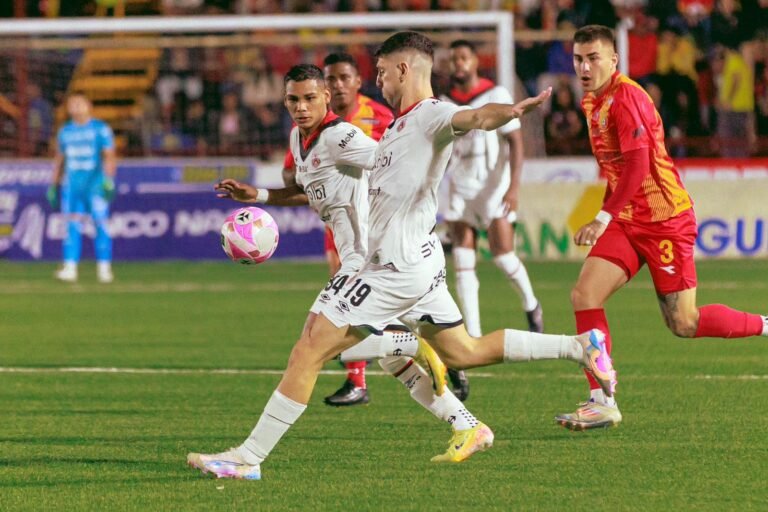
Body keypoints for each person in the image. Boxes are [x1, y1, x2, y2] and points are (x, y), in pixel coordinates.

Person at [187, 32, 616, 481]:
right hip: (417, 262)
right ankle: (578, 347)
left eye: (382, 72)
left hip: (389, 270)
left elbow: (470, 118)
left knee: (309, 349)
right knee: (464, 351)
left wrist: (507, 114)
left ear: (404, 71)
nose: (379, 80)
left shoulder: (432, 114)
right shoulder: (397, 125)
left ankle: (248, 457)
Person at [192, 64, 495, 479]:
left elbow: (388, 160)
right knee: (369, 358)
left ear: (327, 98)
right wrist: (260, 195)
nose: (301, 107)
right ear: (285, 101)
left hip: (370, 262)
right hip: (362, 262)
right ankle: (464, 421)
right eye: (293, 100)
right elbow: (310, 189)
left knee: (309, 350)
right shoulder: (301, 139)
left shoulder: (342, 136)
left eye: (310, 98)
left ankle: (249, 458)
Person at [557, 25, 768, 431]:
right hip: (628, 219)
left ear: (613, 60)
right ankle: (602, 400)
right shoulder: (590, 100)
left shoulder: (627, 99)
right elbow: (617, 172)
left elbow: (637, 166)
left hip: (665, 220)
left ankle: (764, 324)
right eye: (578, 59)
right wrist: (610, 214)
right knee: (585, 294)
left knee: (683, 324)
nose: (584, 66)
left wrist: (602, 217)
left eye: (593, 58)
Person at [441, 39, 544, 402]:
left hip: (494, 186)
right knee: (463, 264)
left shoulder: (496, 92)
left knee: (503, 256)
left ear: (474, 62)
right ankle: (472, 336)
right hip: (459, 189)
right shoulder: (445, 101)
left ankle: (531, 304)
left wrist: (513, 187)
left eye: (463, 57)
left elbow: (515, 144)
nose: (458, 63)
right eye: (453, 58)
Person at [318, 52, 395, 406]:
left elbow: (401, 160)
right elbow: (293, 169)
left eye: (343, 78)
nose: (337, 85)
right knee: (351, 299)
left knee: (377, 301)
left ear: (357, 81)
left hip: (379, 220)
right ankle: (357, 381)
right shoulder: (317, 123)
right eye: (330, 79)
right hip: (340, 220)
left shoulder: (379, 117)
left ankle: (445, 354)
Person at [48, 92, 117, 283]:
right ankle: (70, 268)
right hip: (72, 187)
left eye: (79, 103)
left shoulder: (100, 129)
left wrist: (109, 179)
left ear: (89, 105)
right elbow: (60, 160)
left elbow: (109, 156)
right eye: (72, 104)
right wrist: (54, 184)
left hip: (95, 186)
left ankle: (104, 269)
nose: (75, 107)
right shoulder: (65, 131)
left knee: (100, 224)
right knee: (71, 226)